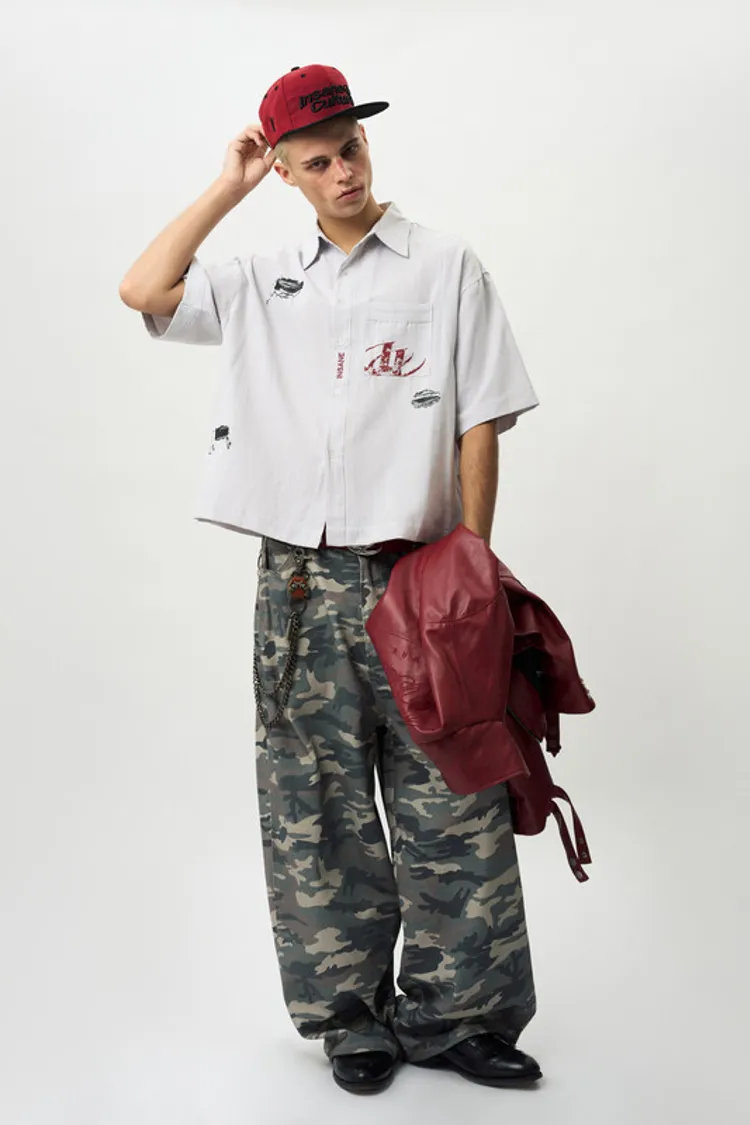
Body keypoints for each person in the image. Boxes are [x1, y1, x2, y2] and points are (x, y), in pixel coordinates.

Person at [119, 63, 542, 1096]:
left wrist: (473, 560)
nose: (343, 171)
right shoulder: (261, 278)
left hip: (425, 575)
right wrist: (228, 187)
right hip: (302, 587)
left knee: (455, 793)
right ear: (287, 172)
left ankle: (455, 1015)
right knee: (316, 803)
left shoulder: (445, 265)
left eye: (350, 148)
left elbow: (480, 418)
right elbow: (144, 290)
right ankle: (350, 1015)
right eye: (315, 161)